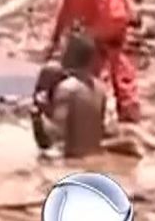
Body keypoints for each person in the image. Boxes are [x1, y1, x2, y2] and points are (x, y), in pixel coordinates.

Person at [45, 0, 142, 124]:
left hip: (117, 34)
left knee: (122, 78)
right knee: (77, 73)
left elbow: (117, 19)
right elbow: (65, 11)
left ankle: (130, 122)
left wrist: (89, 34)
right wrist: (53, 42)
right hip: (96, 33)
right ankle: (87, 119)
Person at [32, 31, 107, 159]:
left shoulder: (68, 89)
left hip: (71, 163)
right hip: (93, 159)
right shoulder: (101, 89)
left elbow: (54, 137)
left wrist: (38, 115)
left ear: (69, 55)